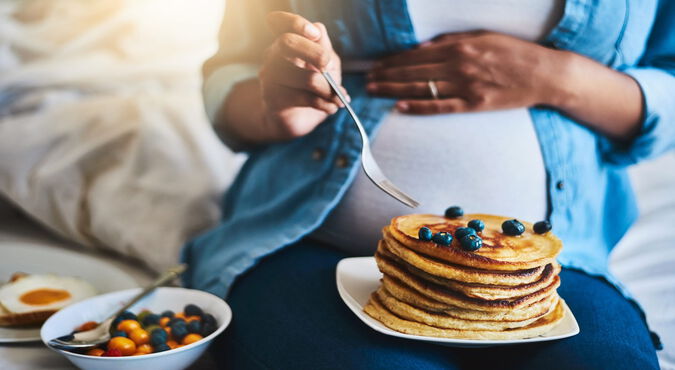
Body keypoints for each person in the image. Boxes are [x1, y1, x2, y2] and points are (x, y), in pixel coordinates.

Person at [182, 1, 674, 368]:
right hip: (309, 241)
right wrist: (275, 106)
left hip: (549, 271)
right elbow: (230, 73)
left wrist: (563, 78)